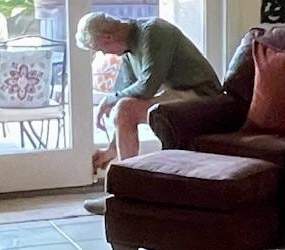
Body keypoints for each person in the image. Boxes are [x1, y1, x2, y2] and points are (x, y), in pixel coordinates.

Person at [74, 12, 223, 208]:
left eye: (100, 49)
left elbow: (147, 87)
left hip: (203, 98)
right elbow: (129, 99)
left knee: (124, 106)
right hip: (179, 97)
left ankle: (127, 196)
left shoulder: (153, 31)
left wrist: (109, 99)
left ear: (107, 38)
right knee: (125, 106)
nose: (104, 54)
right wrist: (111, 147)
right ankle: (126, 194)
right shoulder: (127, 52)